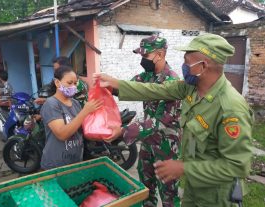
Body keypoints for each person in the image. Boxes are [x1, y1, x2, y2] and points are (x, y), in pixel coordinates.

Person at [95, 33, 253, 207]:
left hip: (216, 196)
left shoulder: (230, 108)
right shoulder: (191, 88)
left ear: (202, 66)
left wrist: (183, 168)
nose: (183, 66)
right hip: (194, 186)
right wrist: (116, 84)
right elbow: (154, 90)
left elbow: (238, 166)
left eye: (186, 61)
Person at [116, 34, 181, 207]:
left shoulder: (172, 83)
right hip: (147, 144)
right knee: (145, 189)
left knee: (168, 194)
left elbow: (160, 121)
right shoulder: (146, 77)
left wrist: (124, 131)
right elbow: (126, 87)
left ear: (159, 54)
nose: (142, 60)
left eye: (145, 55)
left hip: (166, 148)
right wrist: (105, 87)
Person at [40, 66, 102, 170]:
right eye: (69, 83)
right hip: (55, 166)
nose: (73, 86)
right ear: (57, 83)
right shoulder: (51, 104)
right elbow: (62, 134)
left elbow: (83, 131)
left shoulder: (75, 103)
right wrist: (85, 111)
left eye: (75, 83)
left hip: (75, 162)